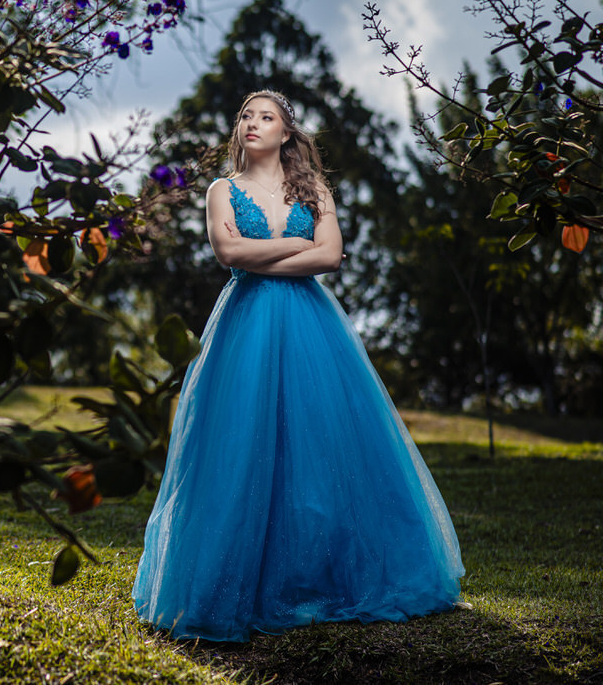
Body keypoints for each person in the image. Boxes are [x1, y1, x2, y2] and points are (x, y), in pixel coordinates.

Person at [131, 90, 464, 642]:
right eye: (245, 115)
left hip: (314, 329)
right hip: (245, 329)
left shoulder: (315, 189)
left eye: (266, 117)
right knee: (242, 443)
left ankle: (326, 574)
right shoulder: (222, 190)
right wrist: (296, 246)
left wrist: (271, 250)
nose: (252, 123)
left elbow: (331, 256)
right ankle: (238, 578)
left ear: (287, 132)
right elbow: (229, 255)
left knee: (322, 441)